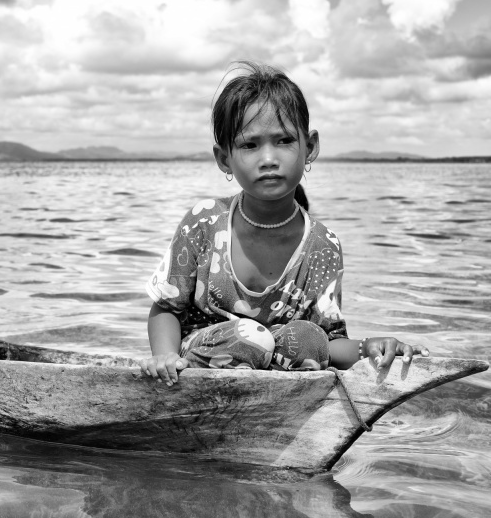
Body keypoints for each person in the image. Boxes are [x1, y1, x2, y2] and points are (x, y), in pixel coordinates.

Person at [141, 61, 428, 385]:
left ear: (310, 148)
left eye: (284, 141)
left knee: (308, 337)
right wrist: (165, 356)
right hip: (198, 366)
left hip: (276, 374)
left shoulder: (322, 245)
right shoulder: (203, 222)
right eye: (250, 145)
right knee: (252, 338)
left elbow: (329, 343)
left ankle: (274, 415)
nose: (268, 159)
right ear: (225, 159)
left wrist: (369, 347)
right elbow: (166, 307)